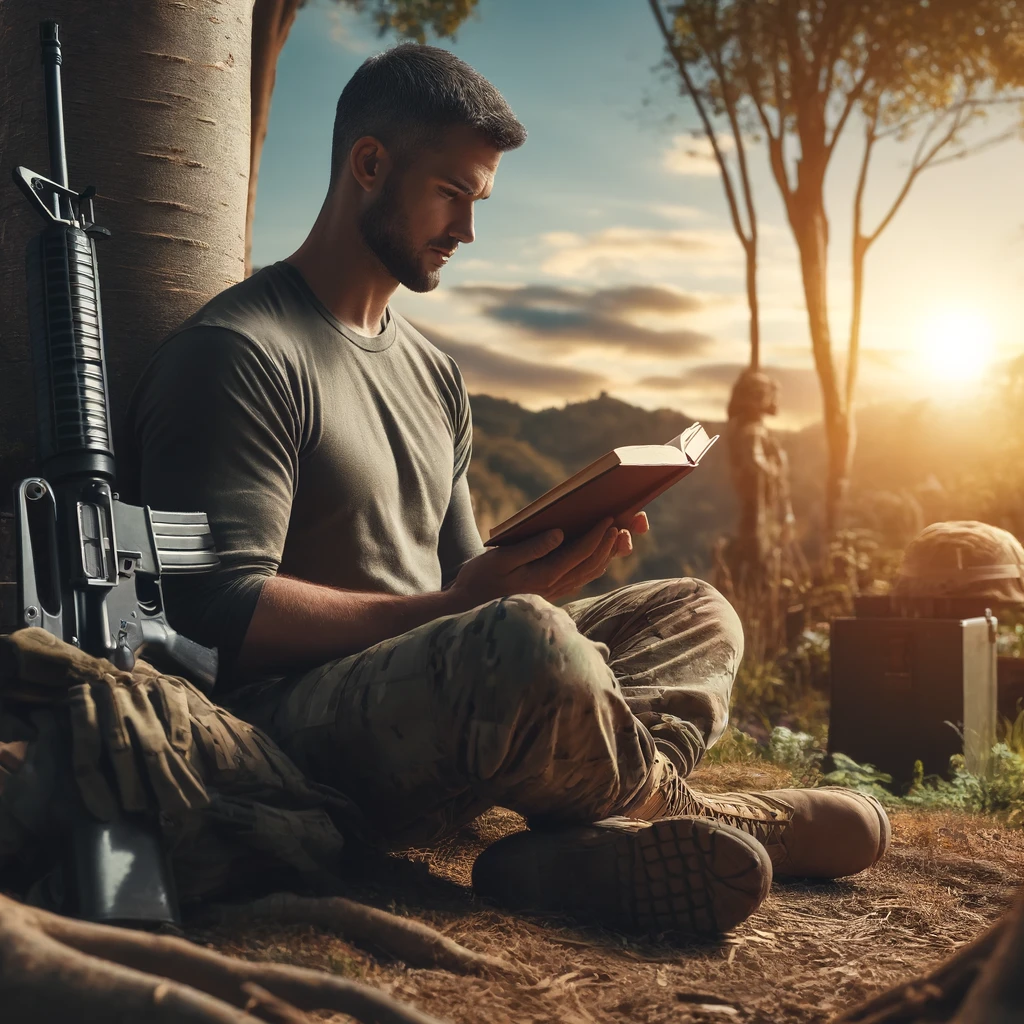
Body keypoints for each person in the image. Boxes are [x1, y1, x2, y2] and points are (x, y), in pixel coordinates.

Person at [123, 44, 889, 936]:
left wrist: (550, 566)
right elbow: (213, 610)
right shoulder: (237, 355)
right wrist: (466, 610)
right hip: (299, 740)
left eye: (478, 202)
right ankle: (692, 812)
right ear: (369, 165)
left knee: (696, 610)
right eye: (453, 194)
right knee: (519, 640)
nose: (468, 231)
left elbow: (469, 580)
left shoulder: (434, 375)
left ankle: (575, 853)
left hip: (447, 689)